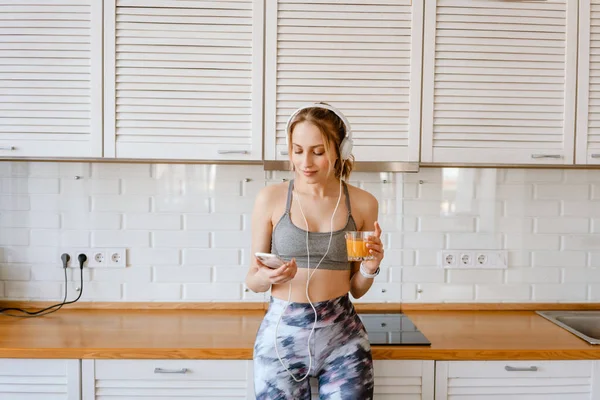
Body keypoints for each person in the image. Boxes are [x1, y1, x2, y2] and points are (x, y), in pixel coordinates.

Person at [246, 102, 384, 400]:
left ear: (339, 150)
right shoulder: (270, 199)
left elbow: (356, 289)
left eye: (318, 151)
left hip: (343, 338)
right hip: (281, 339)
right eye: (297, 150)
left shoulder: (362, 203)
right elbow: (252, 280)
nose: (305, 162)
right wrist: (268, 277)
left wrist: (370, 266)